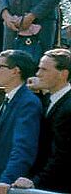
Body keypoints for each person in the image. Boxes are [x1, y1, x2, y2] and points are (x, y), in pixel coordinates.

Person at [13, 49, 71, 192]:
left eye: (44, 69)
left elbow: (62, 155)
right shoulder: (50, 99)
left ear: (63, 74)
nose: (38, 74)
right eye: (39, 68)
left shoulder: (68, 108)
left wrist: (35, 181)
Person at [0, 50, 41, 194]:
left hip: (9, 185)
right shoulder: (9, 99)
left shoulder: (27, 103)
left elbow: (23, 149)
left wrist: (5, 180)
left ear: (15, 71)